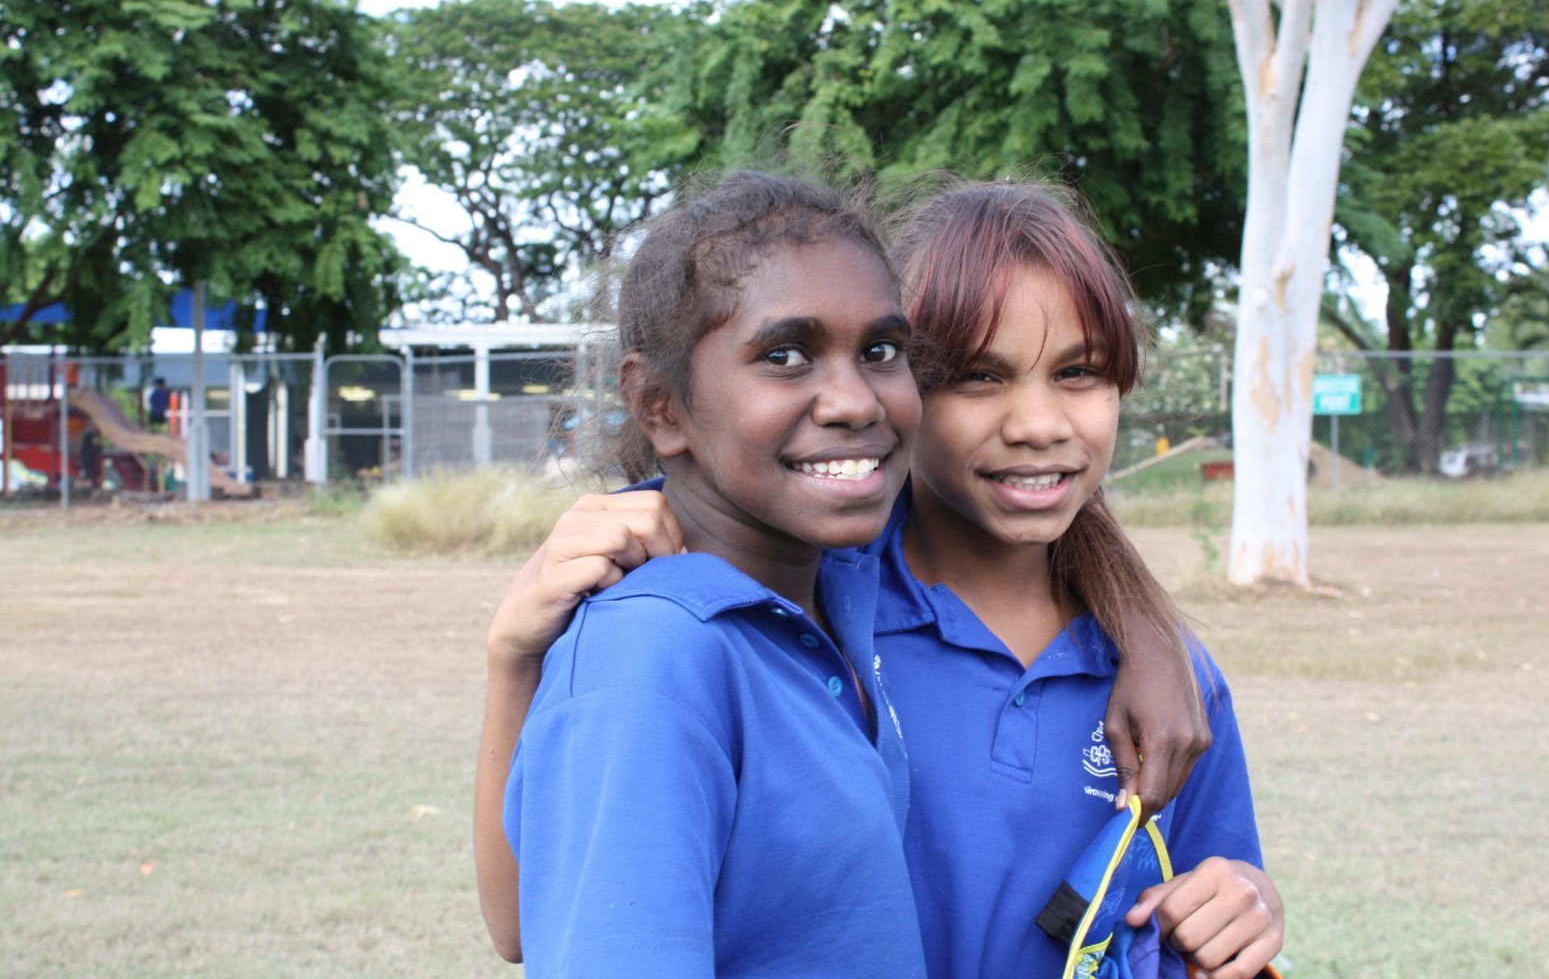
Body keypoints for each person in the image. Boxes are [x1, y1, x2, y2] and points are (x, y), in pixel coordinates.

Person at [480, 180, 1284, 979]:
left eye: (1079, 373)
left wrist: (1244, 899)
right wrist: (516, 660)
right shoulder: (803, 624)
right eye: (977, 376)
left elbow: (1202, 890)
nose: (1038, 424)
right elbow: (538, 917)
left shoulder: (1173, 681)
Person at [494, 171, 928, 978]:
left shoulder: (841, 577)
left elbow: (1033, 509)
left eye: (880, 350)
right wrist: (513, 660)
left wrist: (1150, 641)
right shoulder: (655, 655)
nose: (854, 401)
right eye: (786, 355)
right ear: (660, 406)